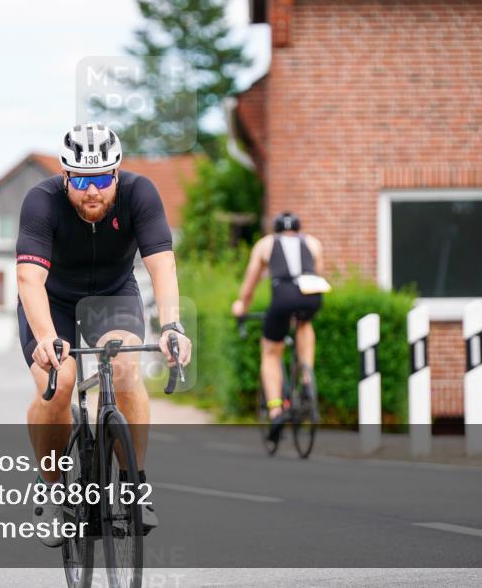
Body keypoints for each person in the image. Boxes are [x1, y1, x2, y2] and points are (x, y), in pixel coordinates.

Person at [16, 123, 192, 546]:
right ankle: (52, 487)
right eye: (80, 179)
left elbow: (162, 264)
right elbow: (28, 277)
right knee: (57, 386)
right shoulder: (41, 202)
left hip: (113, 295)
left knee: (127, 367)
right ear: (65, 177)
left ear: (116, 174)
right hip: (52, 299)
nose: (91, 190)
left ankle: (133, 484)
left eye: (100, 179)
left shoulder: (140, 193)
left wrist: (171, 325)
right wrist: (45, 338)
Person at [232, 211, 324, 441]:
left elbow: (250, 282)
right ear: (298, 228)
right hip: (312, 294)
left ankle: (275, 410)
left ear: (275, 228)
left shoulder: (265, 244)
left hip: (283, 295)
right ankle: (306, 378)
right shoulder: (313, 242)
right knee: (304, 324)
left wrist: (242, 305)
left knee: (271, 352)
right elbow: (319, 274)